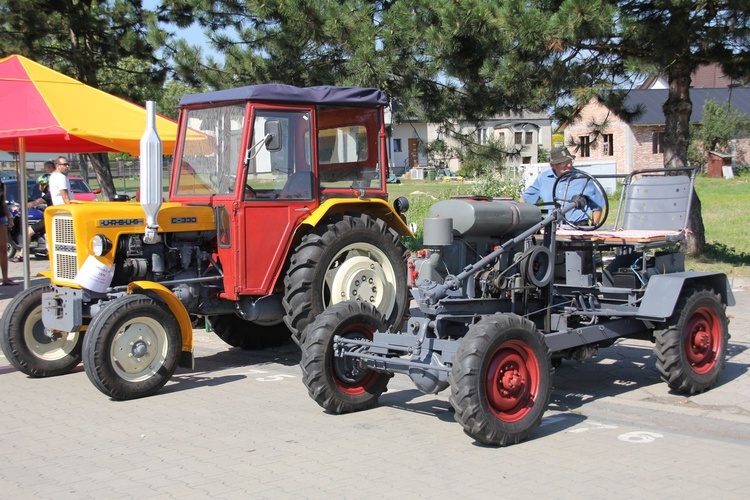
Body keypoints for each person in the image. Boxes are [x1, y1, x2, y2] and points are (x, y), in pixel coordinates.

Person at [521, 146, 605, 225]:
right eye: (563, 163)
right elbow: (524, 201)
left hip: (578, 229)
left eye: (570, 161)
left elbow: (597, 206)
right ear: (552, 165)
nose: (569, 165)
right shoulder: (543, 178)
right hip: (552, 228)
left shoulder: (583, 178)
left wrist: (593, 228)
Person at [12, 175, 52, 263]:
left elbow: (35, 202)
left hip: (49, 219)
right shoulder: (54, 194)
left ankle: (21, 255)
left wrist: (19, 207)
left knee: (28, 231)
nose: (39, 187)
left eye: (41, 185)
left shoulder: (50, 194)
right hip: (50, 217)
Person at [0, 179, 18, 285]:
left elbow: (3, 203)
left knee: (3, 249)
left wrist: (10, 217)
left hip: (1, 217)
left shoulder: (2, 184)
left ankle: (5, 278)